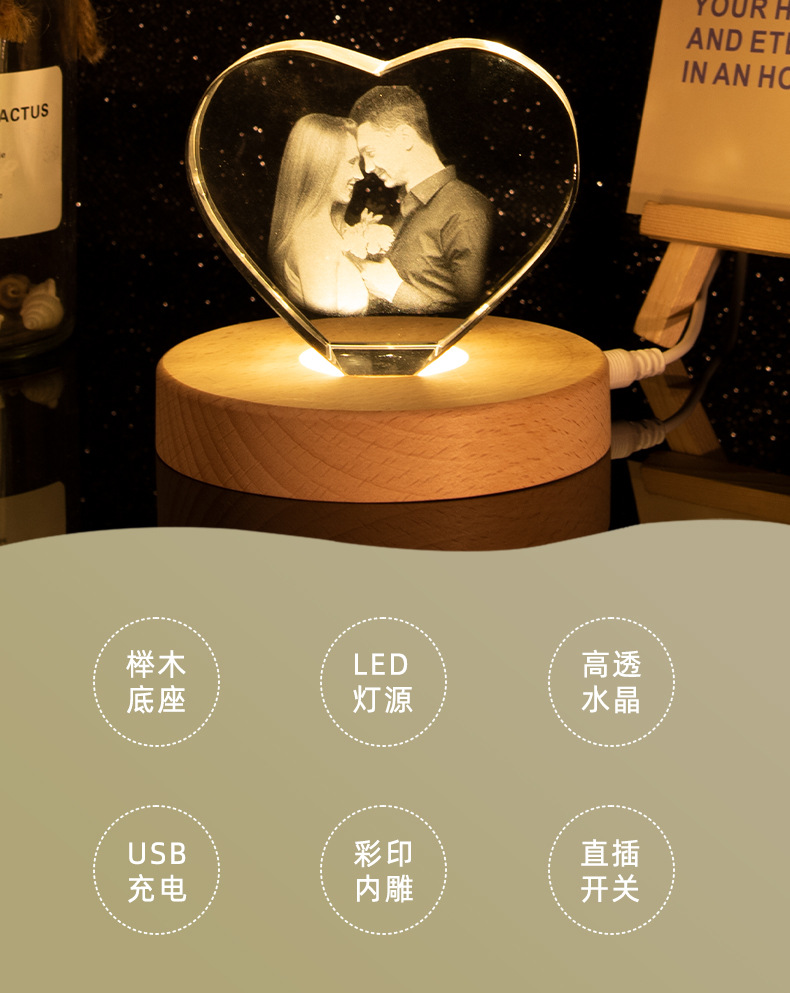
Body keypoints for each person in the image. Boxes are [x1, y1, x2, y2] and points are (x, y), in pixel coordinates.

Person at [350, 85, 493, 314]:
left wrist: (395, 291)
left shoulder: (467, 212)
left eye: (371, 152)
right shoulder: (409, 203)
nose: (367, 168)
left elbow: (479, 321)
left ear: (405, 137)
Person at [268, 114, 393, 316]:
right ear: (321, 165)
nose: (360, 175)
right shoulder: (313, 241)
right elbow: (328, 327)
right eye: (351, 162)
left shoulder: (326, 229)